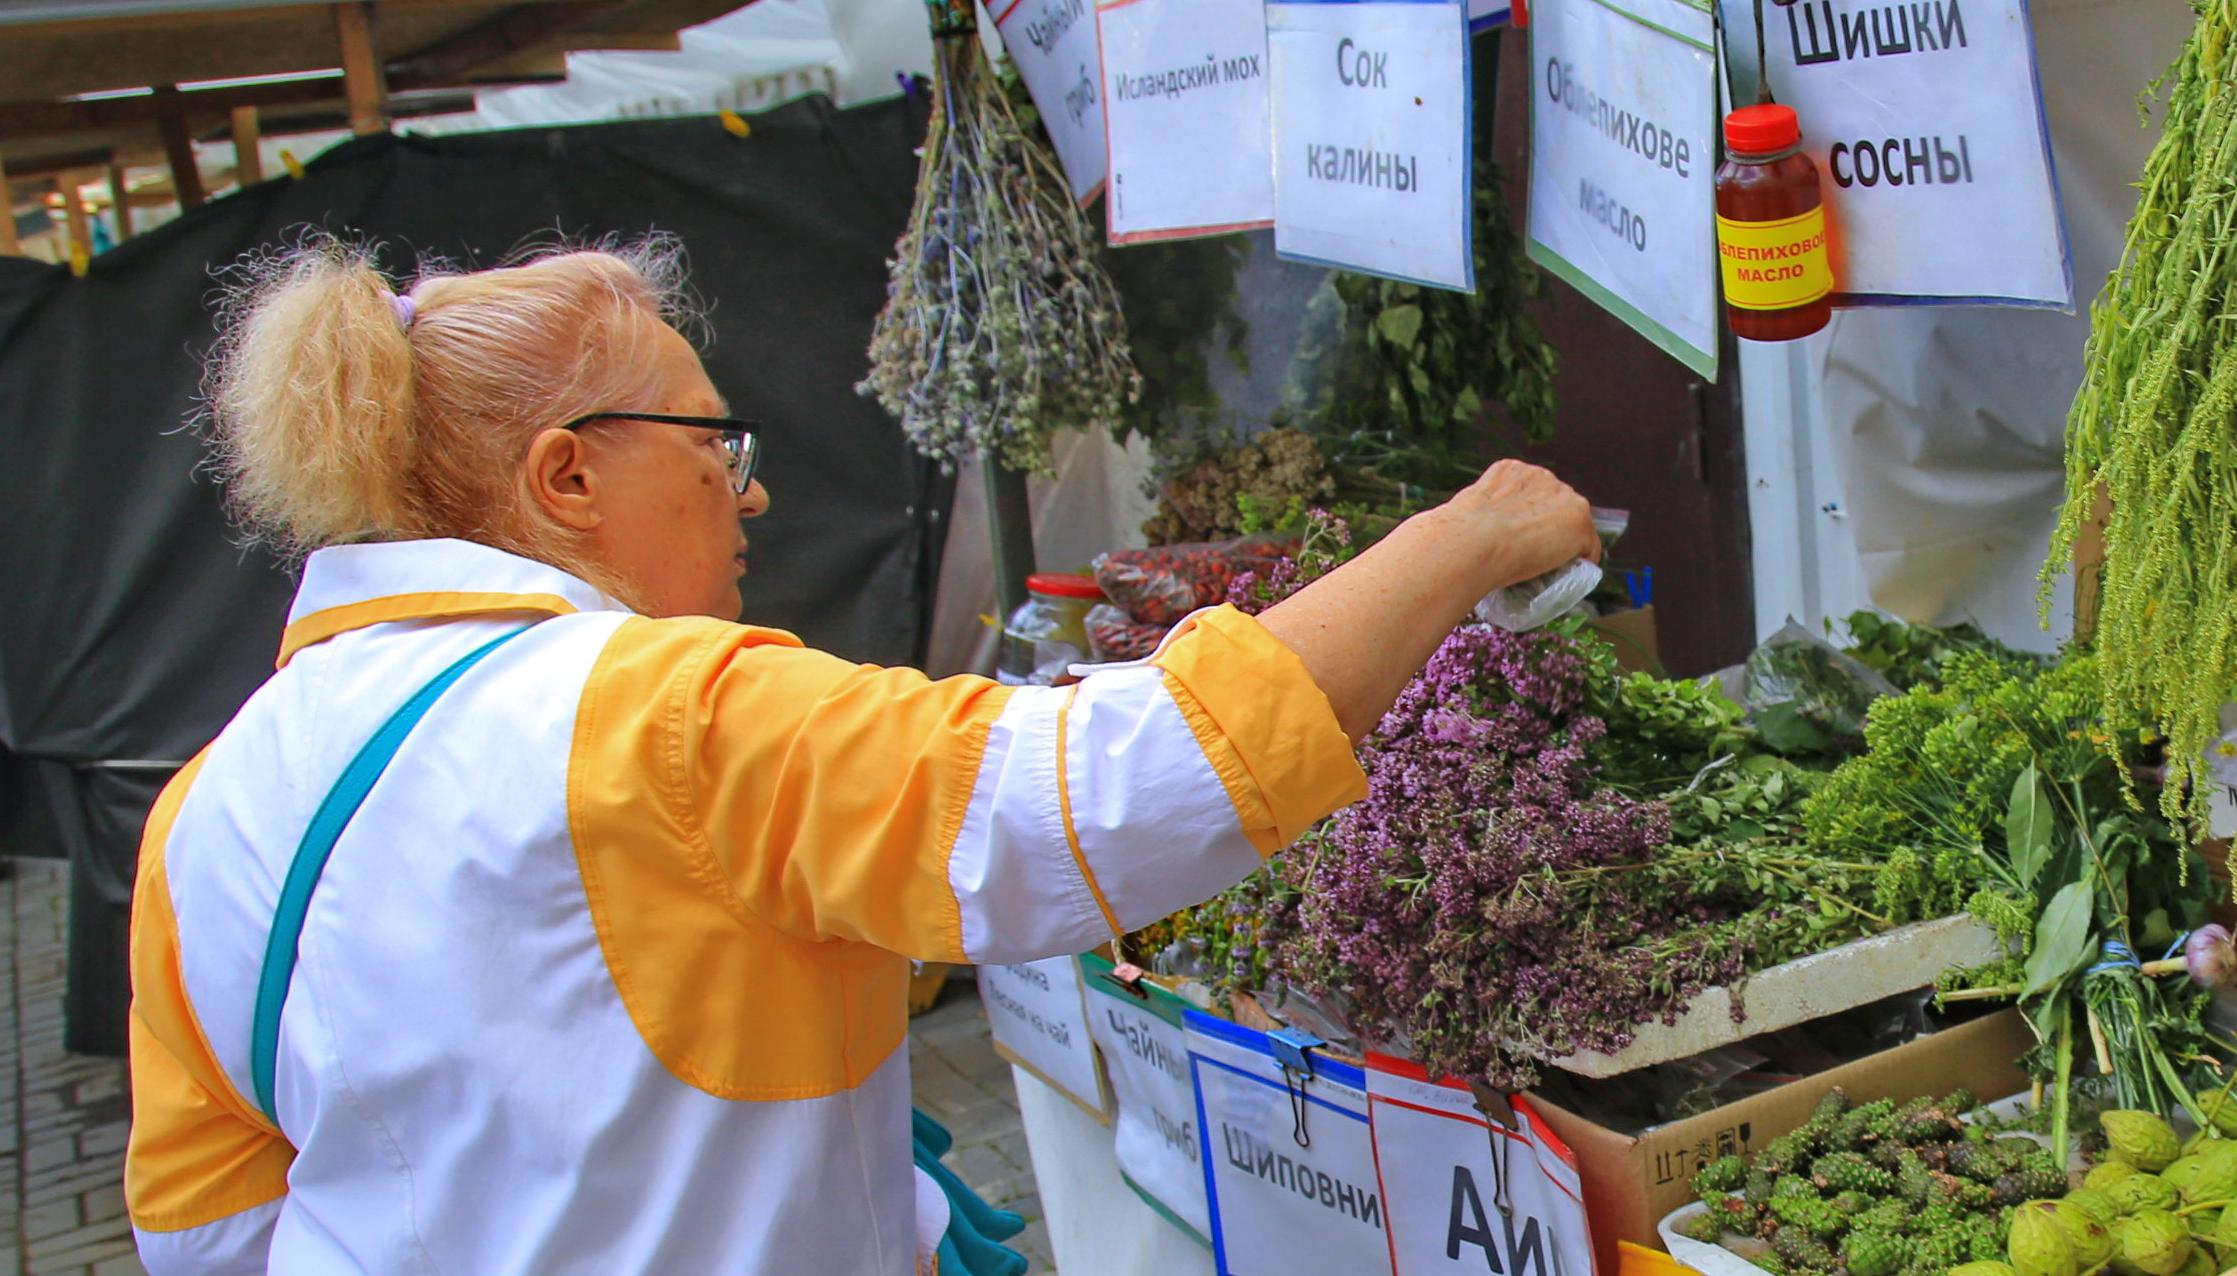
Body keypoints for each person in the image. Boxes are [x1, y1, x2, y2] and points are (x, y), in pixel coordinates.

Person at [124, 240, 1600, 1273]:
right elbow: (1103, 791)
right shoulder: (661, 712)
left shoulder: (205, 809)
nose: (748, 497)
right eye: (714, 447)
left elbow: (203, 1233)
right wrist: (1458, 541)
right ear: (567, 475)